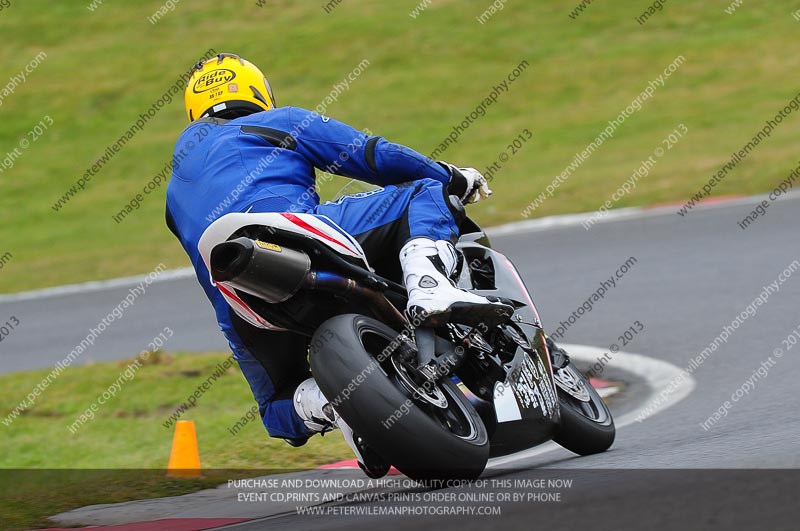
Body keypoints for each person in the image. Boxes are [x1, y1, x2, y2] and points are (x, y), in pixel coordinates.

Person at [165, 53, 509, 474]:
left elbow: (205, 270)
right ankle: (428, 283)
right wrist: (450, 175)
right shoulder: (278, 120)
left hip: (239, 301)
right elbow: (372, 155)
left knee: (275, 410)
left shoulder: (173, 190)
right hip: (291, 232)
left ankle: (333, 406)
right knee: (423, 192)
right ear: (259, 92)